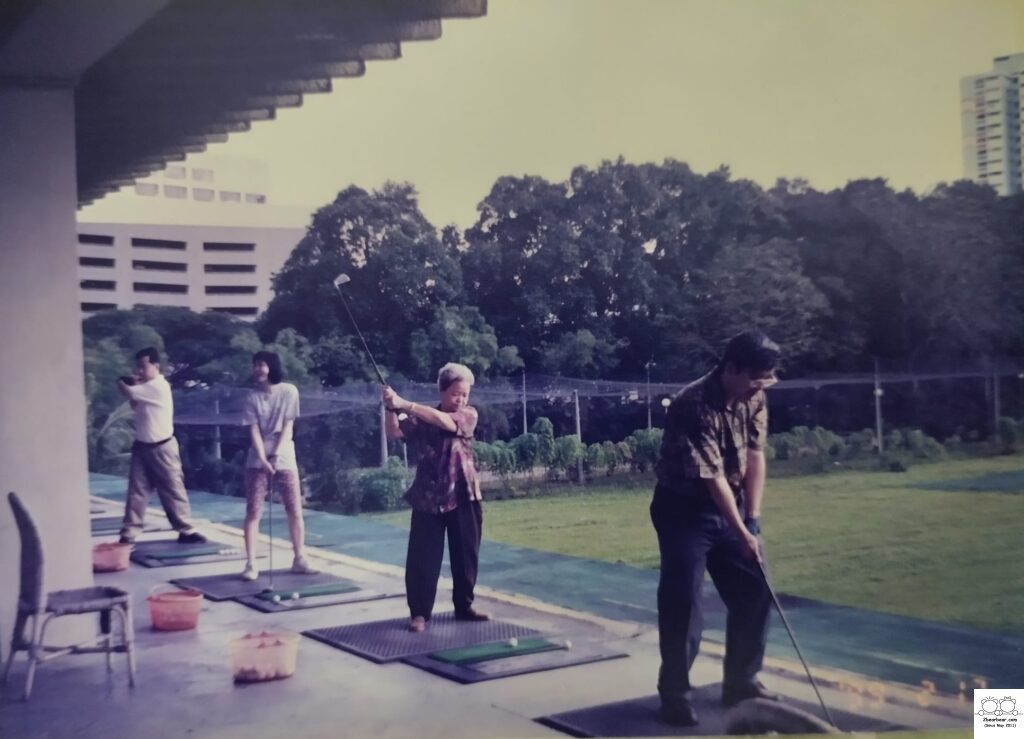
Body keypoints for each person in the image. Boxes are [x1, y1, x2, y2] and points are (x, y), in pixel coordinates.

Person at [650, 330, 782, 726]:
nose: (759, 388)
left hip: (733, 506)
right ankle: (674, 693)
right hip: (683, 511)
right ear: (731, 369)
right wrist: (742, 532)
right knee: (683, 603)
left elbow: (756, 456)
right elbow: (712, 478)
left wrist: (753, 520)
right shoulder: (692, 403)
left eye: (766, 381)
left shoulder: (754, 395)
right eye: (755, 379)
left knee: (756, 590)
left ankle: (740, 681)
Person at [383, 362, 488, 633]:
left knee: (466, 555)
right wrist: (391, 409)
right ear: (442, 391)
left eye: (465, 394)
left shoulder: (468, 415)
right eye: (455, 394)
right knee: (422, 557)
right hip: (428, 496)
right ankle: (419, 614)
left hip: (464, 494)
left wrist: (405, 404)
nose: (461, 400)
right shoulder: (423, 418)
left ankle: (464, 607)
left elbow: (445, 423)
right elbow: (394, 432)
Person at [239, 351, 315, 581]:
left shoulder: (289, 391)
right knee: (253, 511)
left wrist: (275, 456)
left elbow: (287, 427)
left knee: (294, 508)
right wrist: (263, 459)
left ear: (271, 367)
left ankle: (299, 558)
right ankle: (251, 564)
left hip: (285, 457)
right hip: (256, 460)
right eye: (255, 365)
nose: (257, 369)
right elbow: (253, 432)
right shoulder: (251, 398)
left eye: (261, 364)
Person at [118, 347, 206, 545]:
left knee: (172, 488)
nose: (140, 371)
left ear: (156, 366)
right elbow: (132, 396)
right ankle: (128, 533)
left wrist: (129, 381)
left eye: (143, 367)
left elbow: (125, 388)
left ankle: (186, 530)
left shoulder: (158, 386)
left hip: (162, 447)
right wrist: (134, 380)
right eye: (138, 367)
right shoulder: (145, 387)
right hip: (142, 447)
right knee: (137, 491)